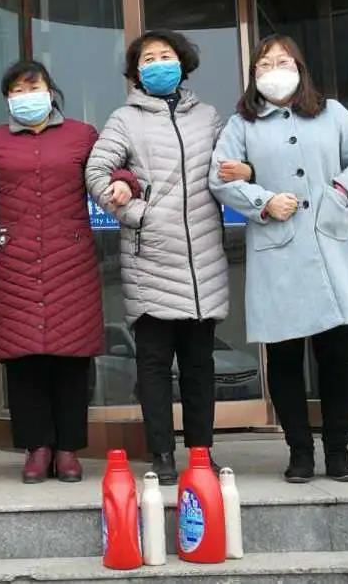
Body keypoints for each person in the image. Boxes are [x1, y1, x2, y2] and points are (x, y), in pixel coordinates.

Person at [210, 33, 348, 484]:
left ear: (300, 67)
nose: (274, 70)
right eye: (264, 65)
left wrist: (339, 191)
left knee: (336, 355)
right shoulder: (242, 124)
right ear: (253, 75)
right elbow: (220, 178)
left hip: (330, 247)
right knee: (285, 358)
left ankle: (339, 452)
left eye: (283, 61)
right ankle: (299, 452)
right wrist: (264, 201)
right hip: (278, 251)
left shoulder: (332, 113)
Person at [85, 30, 230, 485]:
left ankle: (201, 453)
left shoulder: (208, 117)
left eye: (165, 56)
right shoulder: (125, 119)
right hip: (150, 257)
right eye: (148, 59)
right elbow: (96, 171)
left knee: (199, 366)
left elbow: (228, 169)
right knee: (153, 366)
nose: (157, 64)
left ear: (182, 63)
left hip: (202, 259)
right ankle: (163, 454)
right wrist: (135, 213)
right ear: (136, 71)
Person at [0, 60, 104, 483]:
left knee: (71, 358)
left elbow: (108, 171)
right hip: (13, 264)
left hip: (71, 262)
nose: (27, 96)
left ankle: (68, 449)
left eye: (34, 87)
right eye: (17, 91)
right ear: (7, 98)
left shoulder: (82, 135)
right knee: (24, 360)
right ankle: (36, 448)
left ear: (50, 90)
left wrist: (124, 183)